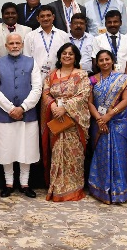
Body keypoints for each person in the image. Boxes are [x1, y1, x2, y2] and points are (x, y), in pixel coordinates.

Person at [0, 33, 41, 198]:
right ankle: (9, 184)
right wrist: (11, 109)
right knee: (7, 149)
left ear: (22, 44)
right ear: (6, 46)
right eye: (11, 43)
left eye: (17, 43)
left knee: (26, 149)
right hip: (4, 115)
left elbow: (37, 88)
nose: (14, 46)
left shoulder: (31, 62)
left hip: (28, 115)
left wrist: (23, 108)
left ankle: (25, 184)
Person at [40, 43, 91, 202]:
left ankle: (74, 189)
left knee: (74, 155)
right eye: (64, 53)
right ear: (60, 56)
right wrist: (53, 106)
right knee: (57, 153)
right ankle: (56, 188)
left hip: (74, 122)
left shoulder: (82, 75)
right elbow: (46, 93)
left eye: (71, 54)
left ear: (76, 57)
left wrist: (65, 108)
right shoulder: (51, 75)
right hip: (56, 119)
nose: (67, 56)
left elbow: (83, 95)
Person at [87, 50, 127, 204]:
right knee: (101, 155)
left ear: (112, 61)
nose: (104, 62)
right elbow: (90, 102)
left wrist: (109, 115)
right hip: (99, 122)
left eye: (107, 59)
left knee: (119, 156)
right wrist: (99, 119)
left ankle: (118, 191)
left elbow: (126, 100)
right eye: (101, 60)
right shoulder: (92, 80)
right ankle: (100, 190)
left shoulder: (123, 79)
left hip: (119, 122)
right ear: (97, 63)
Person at [23, 5, 71, 81]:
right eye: (42, 16)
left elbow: (68, 58)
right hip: (36, 78)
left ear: (53, 17)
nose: (45, 18)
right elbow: (26, 59)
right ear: (38, 19)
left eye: (48, 15)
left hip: (59, 78)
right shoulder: (30, 36)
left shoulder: (63, 36)